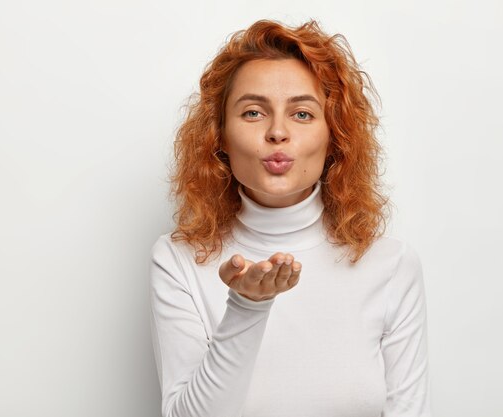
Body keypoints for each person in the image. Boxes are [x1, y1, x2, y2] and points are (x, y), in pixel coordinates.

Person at [149, 19, 431, 417]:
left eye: (301, 114)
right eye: (252, 113)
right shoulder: (178, 259)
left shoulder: (391, 265)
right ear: (220, 137)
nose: (277, 132)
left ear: (335, 136)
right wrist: (246, 305)